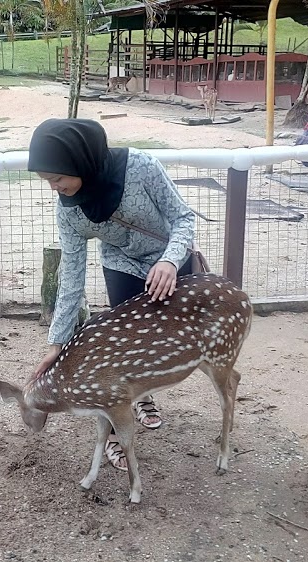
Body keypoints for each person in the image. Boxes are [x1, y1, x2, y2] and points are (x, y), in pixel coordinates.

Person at [27, 118, 197, 472]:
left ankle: (144, 392)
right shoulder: (69, 211)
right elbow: (71, 275)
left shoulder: (141, 166)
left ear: (78, 161)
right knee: (124, 347)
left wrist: (168, 261)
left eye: (57, 178)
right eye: (47, 181)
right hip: (122, 264)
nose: (54, 188)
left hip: (169, 258)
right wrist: (57, 342)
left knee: (164, 341)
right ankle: (133, 408)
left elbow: (183, 218)